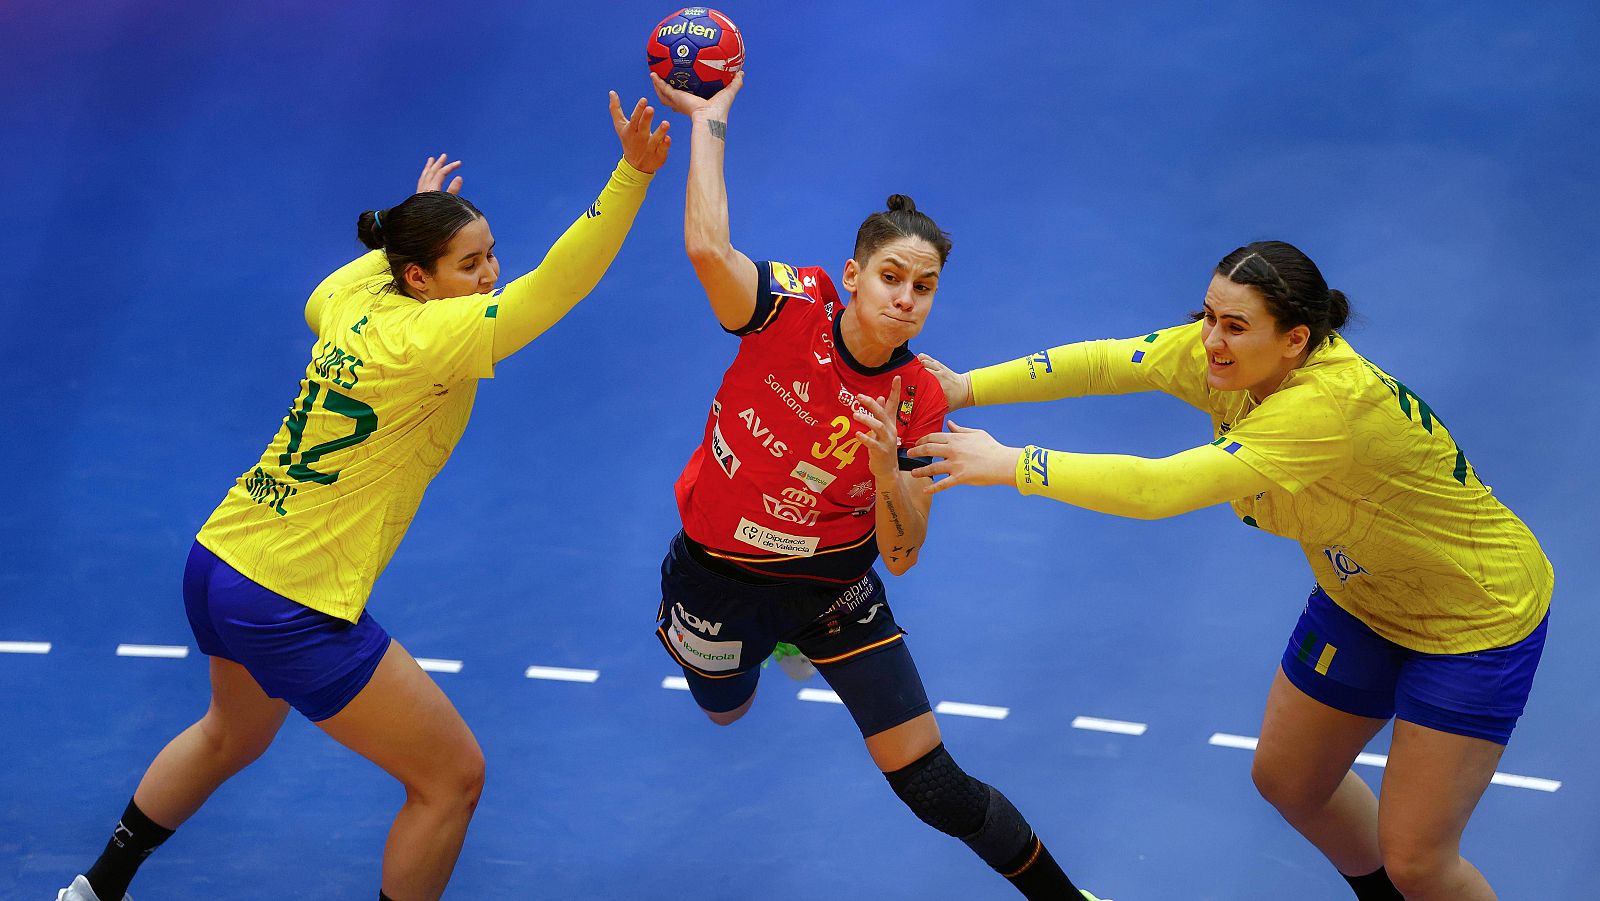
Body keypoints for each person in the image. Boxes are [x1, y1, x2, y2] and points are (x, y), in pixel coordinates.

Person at [57, 94, 671, 901]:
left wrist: (408, 217)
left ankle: (91, 890)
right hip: (289, 596)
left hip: (223, 559)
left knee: (228, 737)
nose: (492, 277)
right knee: (452, 778)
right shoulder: (435, 338)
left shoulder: (347, 300)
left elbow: (360, 276)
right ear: (418, 278)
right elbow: (559, 285)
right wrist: (632, 173)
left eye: (492, 254)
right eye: (470, 264)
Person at [909, 240, 1552, 901]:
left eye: (1234, 326)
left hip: (1471, 620)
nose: (1210, 340)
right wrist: (967, 386)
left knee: (1420, 860)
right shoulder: (1223, 351)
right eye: (1209, 315)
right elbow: (1106, 362)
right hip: (1363, 594)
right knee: (1291, 781)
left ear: (1295, 339)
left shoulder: (1325, 407)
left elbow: (1158, 489)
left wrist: (1014, 463)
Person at [644, 71, 1106, 901]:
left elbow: (905, 551)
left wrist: (889, 469)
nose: (906, 298)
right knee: (726, 708)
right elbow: (710, 249)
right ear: (852, 274)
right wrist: (709, 121)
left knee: (934, 786)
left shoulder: (919, 396)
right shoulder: (786, 310)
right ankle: (764, 650)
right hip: (717, 575)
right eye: (892, 276)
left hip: (835, 584)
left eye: (924, 287)